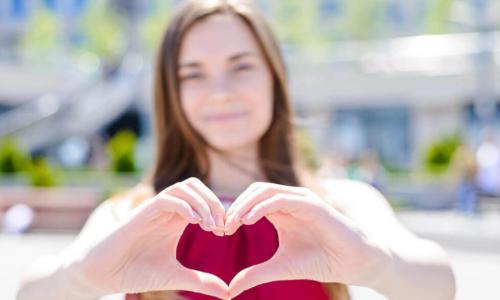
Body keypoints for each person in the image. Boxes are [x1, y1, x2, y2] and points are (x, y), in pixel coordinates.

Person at [16, 1, 456, 300]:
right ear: (173, 94)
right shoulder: (135, 212)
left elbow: (439, 283)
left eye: (241, 67)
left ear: (274, 78)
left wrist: (375, 266)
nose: (220, 92)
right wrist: (81, 278)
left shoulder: (339, 202)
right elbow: (30, 292)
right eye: (193, 74)